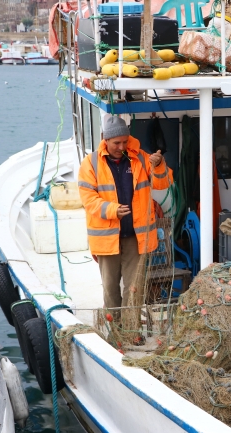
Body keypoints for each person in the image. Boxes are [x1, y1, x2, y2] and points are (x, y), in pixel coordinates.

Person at [78, 116, 173, 313]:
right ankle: (116, 329)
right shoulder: (91, 163)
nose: (121, 146)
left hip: (135, 236)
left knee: (134, 287)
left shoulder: (139, 157)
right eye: (116, 143)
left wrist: (160, 164)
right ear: (105, 139)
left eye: (125, 141)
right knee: (110, 288)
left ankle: (133, 329)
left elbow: (162, 183)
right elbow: (88, 199)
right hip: (106, 238)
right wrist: (113, 210)